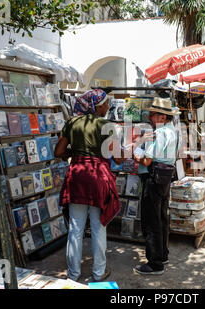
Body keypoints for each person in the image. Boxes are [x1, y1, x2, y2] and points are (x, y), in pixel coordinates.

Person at [55, 89, 124, 282]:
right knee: (98, 226)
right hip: (97, 178)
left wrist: (76, 154)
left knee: (75, 228)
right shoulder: (107, 126)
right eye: (105, 103)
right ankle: (98, 272)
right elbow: (118, 158)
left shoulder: (72, 123)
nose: (108, 106)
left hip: (76, 176)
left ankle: (73, 274)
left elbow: (58, 150)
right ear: (95, 106)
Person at [131, 97, 180, 275]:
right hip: (165, 176)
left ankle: (155, 263)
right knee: (161, 217)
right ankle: (162, 254)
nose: (150, 117)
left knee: (151, 219)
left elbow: (147, 159)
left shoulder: (158, 133)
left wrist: (135, 153)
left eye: (153, 114)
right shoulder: (172, 131)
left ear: (162, 117)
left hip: (154, 176)